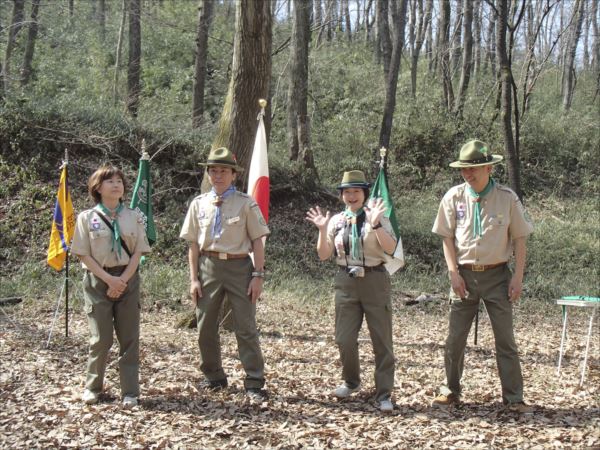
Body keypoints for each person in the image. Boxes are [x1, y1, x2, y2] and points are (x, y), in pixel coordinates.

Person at [431, 139, 534, 413]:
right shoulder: (453, 197)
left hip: (498, 276)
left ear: (489, 167)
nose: (468, 173)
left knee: (505, 339)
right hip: (464, 275)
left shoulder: (507, 197)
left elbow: (521, 239)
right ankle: (450, 390)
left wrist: (518, 277)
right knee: (455, 338)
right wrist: (453, 273)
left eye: (474, 168)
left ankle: (514, 398)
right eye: (464, 168)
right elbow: (447, 238)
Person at [180, 147, 270, 400]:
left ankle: (254, 381)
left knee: (245, 326)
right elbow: (193, 245)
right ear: (208, 174)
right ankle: (214, 376)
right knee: (205, 326)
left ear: (233, 175)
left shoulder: (245, 203)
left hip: (240, 267)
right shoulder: (199, 204)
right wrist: (194, 279)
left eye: (223, 171)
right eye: (213, 171)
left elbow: (258, 241)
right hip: (208, 267)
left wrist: (258, 275)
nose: (218, 175)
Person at [306, 170, 397, 413]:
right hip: (345, 280)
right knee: (343, 338)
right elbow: (324, 255)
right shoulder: (336, 221)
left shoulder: (376, 216)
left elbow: (390, 248)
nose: (351, 195)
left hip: (374, 279)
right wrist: (322, 229)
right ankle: (351, 381)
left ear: (364, 194)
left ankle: (384, 393)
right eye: (347, 191)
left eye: (356, 191)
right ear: (341, 195)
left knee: (381, 339)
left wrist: (376, 223)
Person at [71, 165, 151, 408]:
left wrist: (122, 280)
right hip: (98, 281)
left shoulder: (133, 216)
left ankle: (130, 392)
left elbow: (139, 251)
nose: (116, 185)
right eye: (110, 181)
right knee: (101, 338)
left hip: (127, 278)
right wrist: (109, 280)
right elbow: (83, 255)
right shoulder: (87, 217)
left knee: (129, 338)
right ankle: (92, 387)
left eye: (119, 181)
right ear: (97, 187)